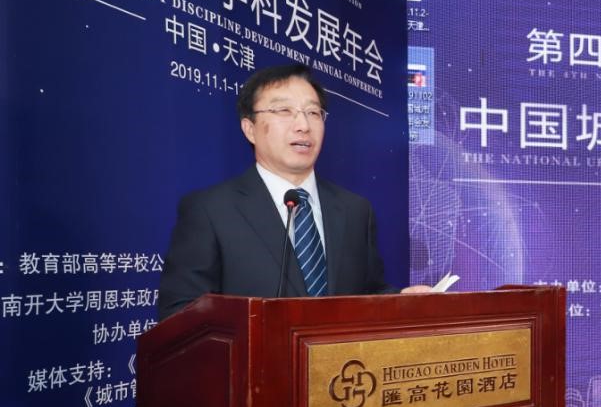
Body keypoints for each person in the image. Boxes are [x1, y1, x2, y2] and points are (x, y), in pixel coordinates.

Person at [157, 63, 426, 320]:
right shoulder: (210, 210)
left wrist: (401, 301)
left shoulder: (355, 210)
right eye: (284, 110)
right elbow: (180, 315)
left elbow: (369, 293)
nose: (303, 125)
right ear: (249, 129)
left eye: (313, 113)